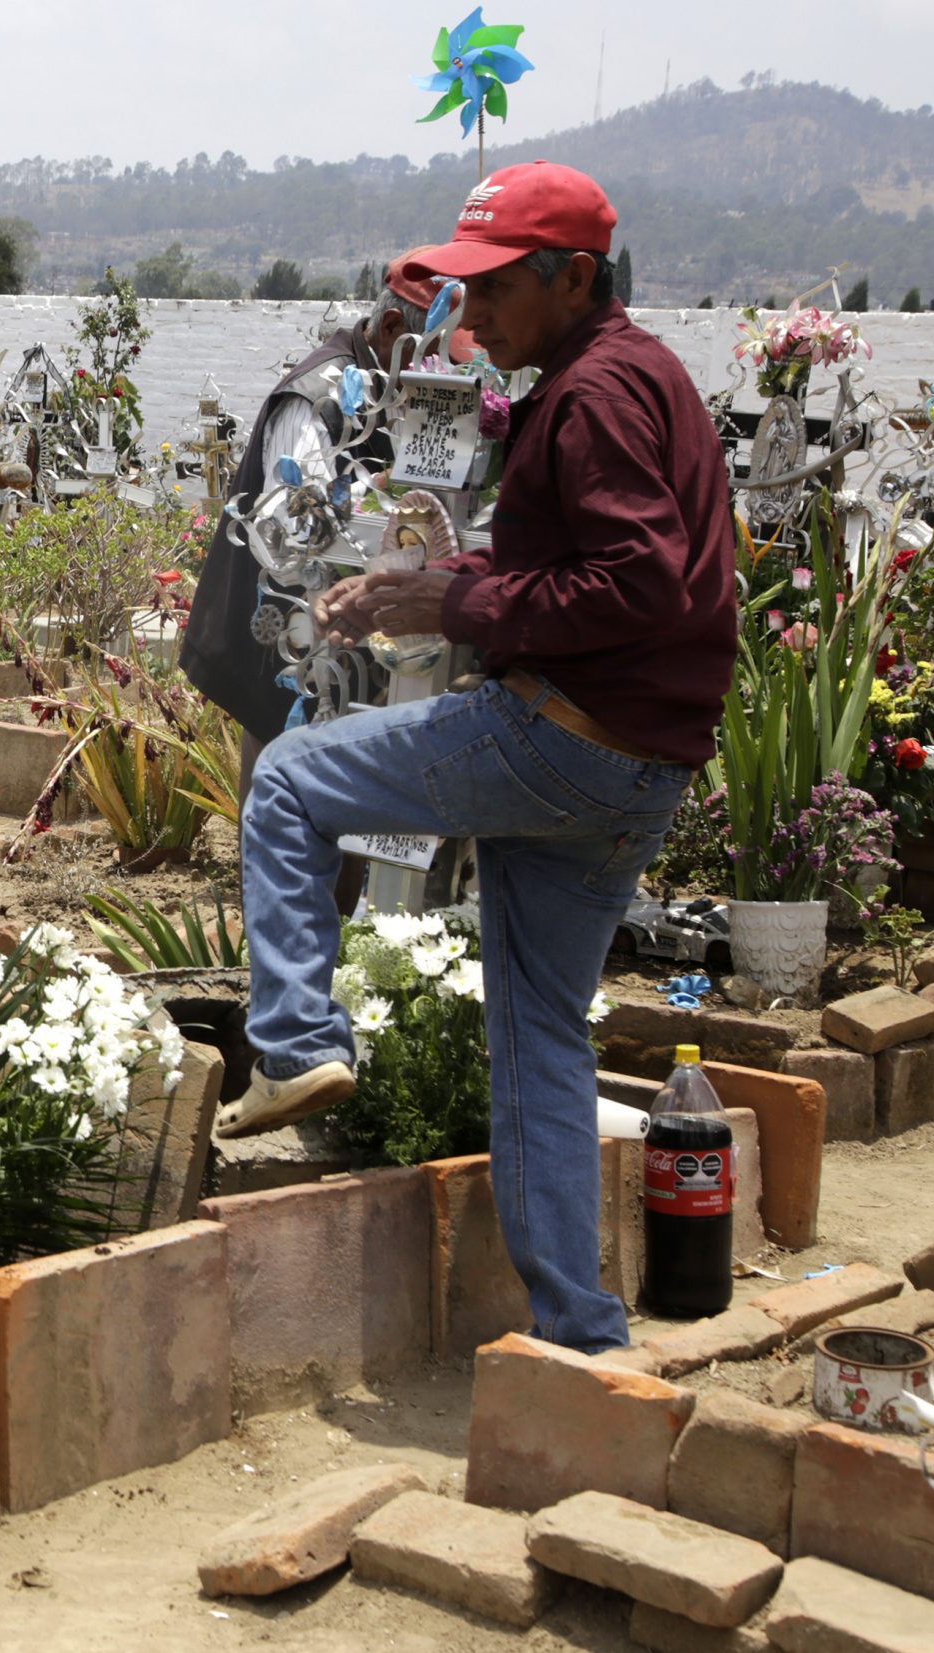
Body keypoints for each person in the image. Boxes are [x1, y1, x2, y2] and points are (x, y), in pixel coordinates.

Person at [215, 163, 737, 1352]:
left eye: (498, 287)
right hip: (639, 765)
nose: (475, 312)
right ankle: (580, 1337)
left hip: (563, 733)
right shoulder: (642, 375)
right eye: (464, 286)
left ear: (575, 277)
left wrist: (452, 610)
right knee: (538, 1040)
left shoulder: (590, 396)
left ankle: (294, 1046)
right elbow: (620, 572)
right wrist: (439, 583)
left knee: (291, 781)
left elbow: (633, 583)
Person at [178, 253, 441, 794]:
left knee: (336, 804)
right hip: (290, 638)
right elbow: (302, 524)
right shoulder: (318, 398)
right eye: (429, 351)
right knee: (286, 798)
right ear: (392, 328)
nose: (435, 368)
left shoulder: (384, 383)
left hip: (346, 637)